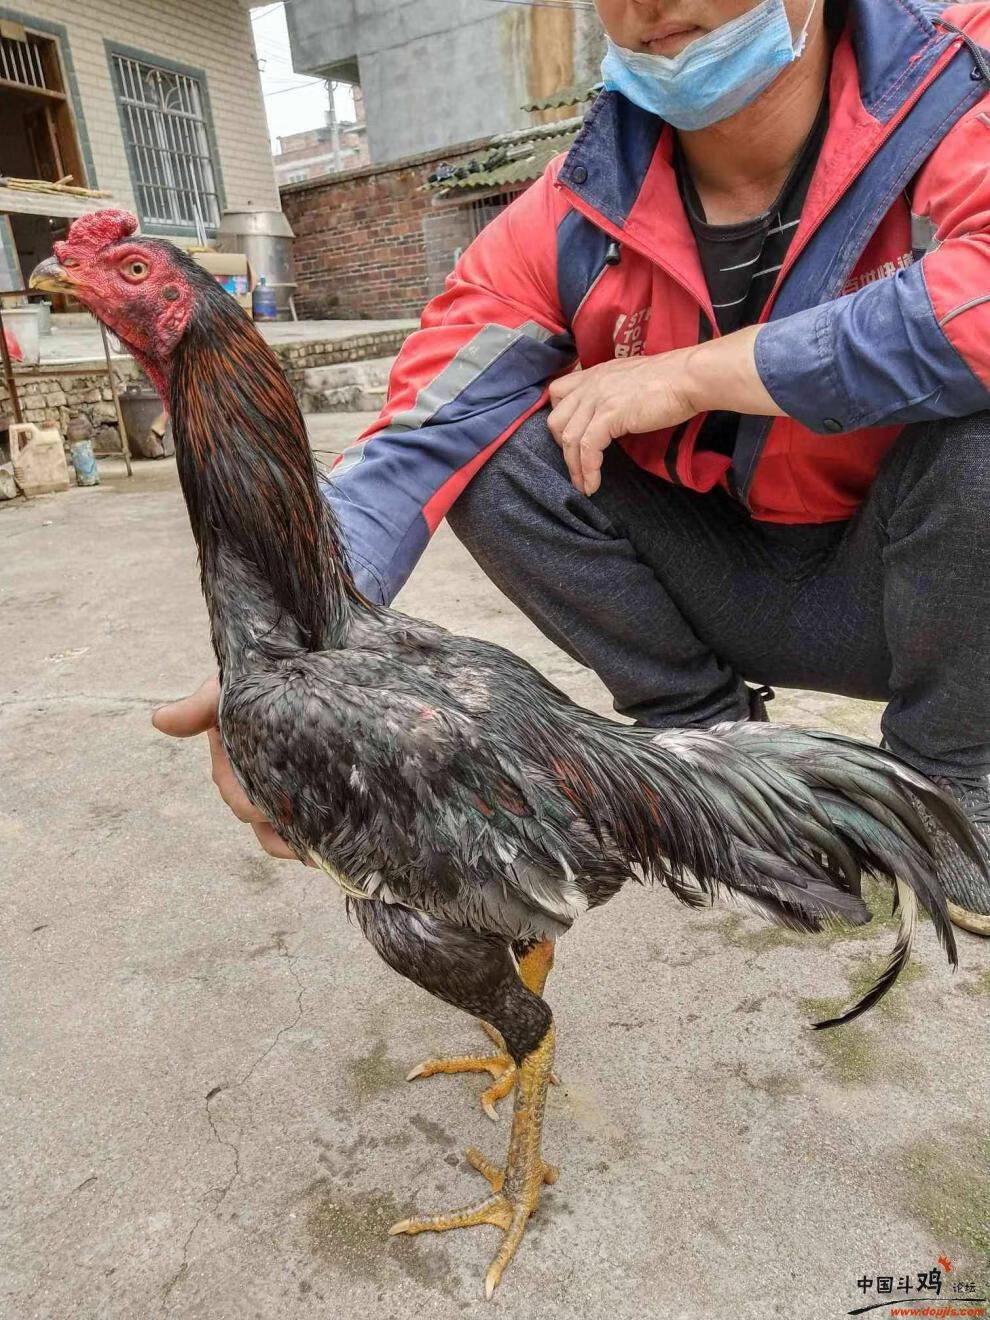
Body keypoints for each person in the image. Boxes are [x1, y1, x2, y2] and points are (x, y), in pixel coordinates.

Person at [156, 0, 990, 936]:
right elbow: (426, 424)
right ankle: (704, 732)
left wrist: (696, 373)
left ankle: (952, 769)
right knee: (497, 442)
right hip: (720, 581)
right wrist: (280, 644)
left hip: (930, 596)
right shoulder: (572, 207)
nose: (647, 3)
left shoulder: (963, 78)